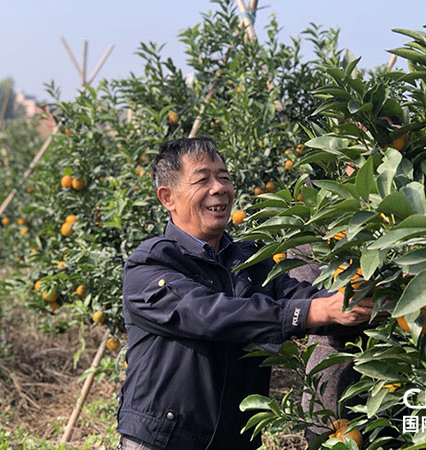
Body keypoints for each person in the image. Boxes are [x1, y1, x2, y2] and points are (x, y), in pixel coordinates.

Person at [116, 136, 375, 450]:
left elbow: (303, 297)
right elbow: (209, 314)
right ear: (167, 197)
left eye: (224, 178)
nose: (219, 188)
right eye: (203, 179)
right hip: (164, 441)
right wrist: (313, 311)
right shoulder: (150, 263)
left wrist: (366, 300)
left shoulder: (250, 261)